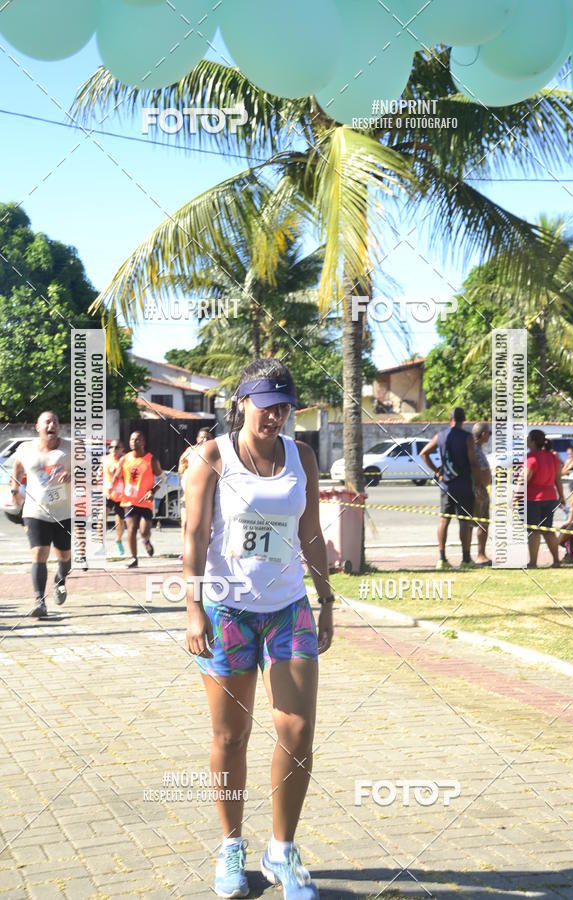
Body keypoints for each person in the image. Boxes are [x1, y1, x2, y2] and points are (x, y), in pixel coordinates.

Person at [184, 358, 333, 900]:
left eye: (284, 407)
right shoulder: (212, 457)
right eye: (267, 405)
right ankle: (230, 846)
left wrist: (326, 598)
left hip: (288, 608)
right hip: (227, 613)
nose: (276, 416)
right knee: (231, 736)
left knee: (297, 731)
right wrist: (193, 607)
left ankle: (282, 850)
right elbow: (194, 535)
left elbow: (310, 532)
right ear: (243, 402)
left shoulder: (302, 455)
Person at [10, 411, 71, 618]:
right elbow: (17, 468)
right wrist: (15, 490)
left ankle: (60, 578)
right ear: (38, 427)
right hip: (35, 511)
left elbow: (88, 471)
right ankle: (40, 601)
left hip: (64, 513)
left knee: (64, 556)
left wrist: (72, 475)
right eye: (47, 422)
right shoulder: (26, 449)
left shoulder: (70, 449)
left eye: (55, 422)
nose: (52, 425)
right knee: (39, 553)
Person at [420, 407, 481, 570]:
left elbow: (423, 453)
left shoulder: (440, 436)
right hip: (464, 484)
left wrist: (437, 471)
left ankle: (442, 559)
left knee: (444, 520)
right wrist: (479, 484)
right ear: (464, 420)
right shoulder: (467, 437)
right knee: (464, 521)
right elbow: (473, 462)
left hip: (446, 485)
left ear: (450, 419)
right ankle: (466, 559)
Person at [120, 431, 164, 568]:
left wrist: (152, 491)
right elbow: (117, 476)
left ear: (143, 442)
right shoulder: (125, 459)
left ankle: (146, 541)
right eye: (132, 439)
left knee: (144, 531)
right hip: (129, 501)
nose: (134, 442)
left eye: (137, 439)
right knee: (132, 528)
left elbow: (162, 478)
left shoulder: (151, 459)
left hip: (145, 501)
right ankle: (133, 558)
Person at [526, 429, 566, 568]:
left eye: (528, 438)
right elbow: (558, 479)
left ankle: (532, 563)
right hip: (550, 498)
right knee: (548, 530)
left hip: (533, 499)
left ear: (533, 441)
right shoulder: (553, 457)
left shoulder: (531, 458)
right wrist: (561, 496)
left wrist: (515, 496)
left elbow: (524, 480)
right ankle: (556, 561)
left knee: (533, 531)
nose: (526, 440)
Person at [178, 428, 211, 558]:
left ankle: (205, 549)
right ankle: (186, 550)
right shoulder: (190, 451)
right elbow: (181, 467)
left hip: (206, 496)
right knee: (185, 523)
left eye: (208, 438)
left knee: (204, 525)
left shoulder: (214, 453)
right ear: (197, 439)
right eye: (202, 437)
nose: (205, 440)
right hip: (188, 496)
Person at [471, 422, 492, 566]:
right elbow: (474, 471)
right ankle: (476, 555)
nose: (490, 436)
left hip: (481, 489)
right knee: (474, 523)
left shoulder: (477, 449)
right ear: (483, 434)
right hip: (478, 491)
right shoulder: (474, 450)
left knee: (483, 523)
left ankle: (481, 554)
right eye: (489, 433)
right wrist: (478, 487)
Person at [102, 439, 125, 556]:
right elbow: (100, 473)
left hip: (121, 495)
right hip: (108, 493)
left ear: (122, 449)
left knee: (119, 521)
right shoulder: (105, 459)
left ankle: (118, 540)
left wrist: (117, 479)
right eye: (111, 447)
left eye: (117, 447)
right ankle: (101, 544)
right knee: (101, 517)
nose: (113, 450)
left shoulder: (124, 460)